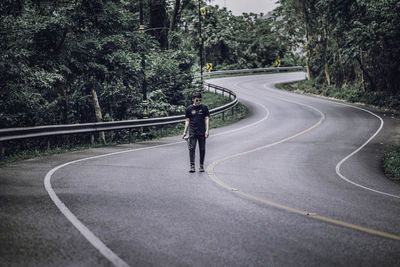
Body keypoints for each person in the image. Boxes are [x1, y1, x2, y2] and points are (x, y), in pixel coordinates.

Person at [182, 91, 210, 173]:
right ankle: (192, 166)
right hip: (193, 132)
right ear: (193, 99)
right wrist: (184, 132)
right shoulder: (189, 109)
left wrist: (207, 130)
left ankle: (201, 166)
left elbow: (207, 118)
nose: (198, 102)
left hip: (202, 132)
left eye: (199, 100)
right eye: (197, 100)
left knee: (202, 149)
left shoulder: (204, 108)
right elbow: (187, 121)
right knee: (192, 149)